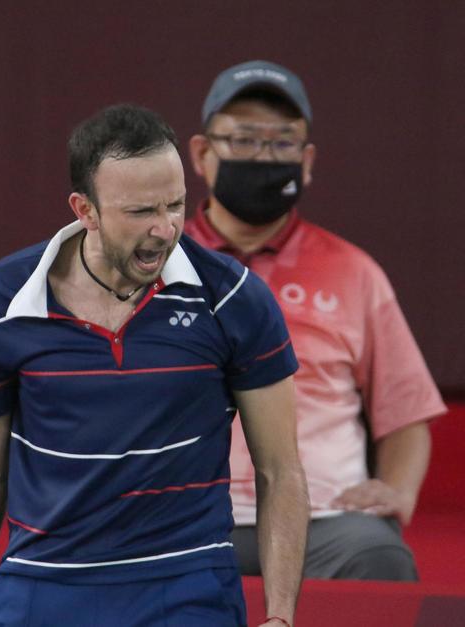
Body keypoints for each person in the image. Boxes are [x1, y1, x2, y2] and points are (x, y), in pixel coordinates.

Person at [0, 104, 309, 627]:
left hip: (186, 585)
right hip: (41, 579)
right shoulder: (0, 301)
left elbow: (280, 470)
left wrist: (281, 617)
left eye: (175, 204)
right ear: (85, 210)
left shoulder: (233, 299)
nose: (164, 228)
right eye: (140, 211)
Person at [185, 60, 448, 581]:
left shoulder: (355, 271)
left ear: (306, 162)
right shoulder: (154, 263)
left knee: (378, 554)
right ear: (201, 153)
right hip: (185, 515)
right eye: (242, 139)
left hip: (324, 523)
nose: (264, 156)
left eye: (282, 143)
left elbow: (406, 412)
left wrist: (396, 491)